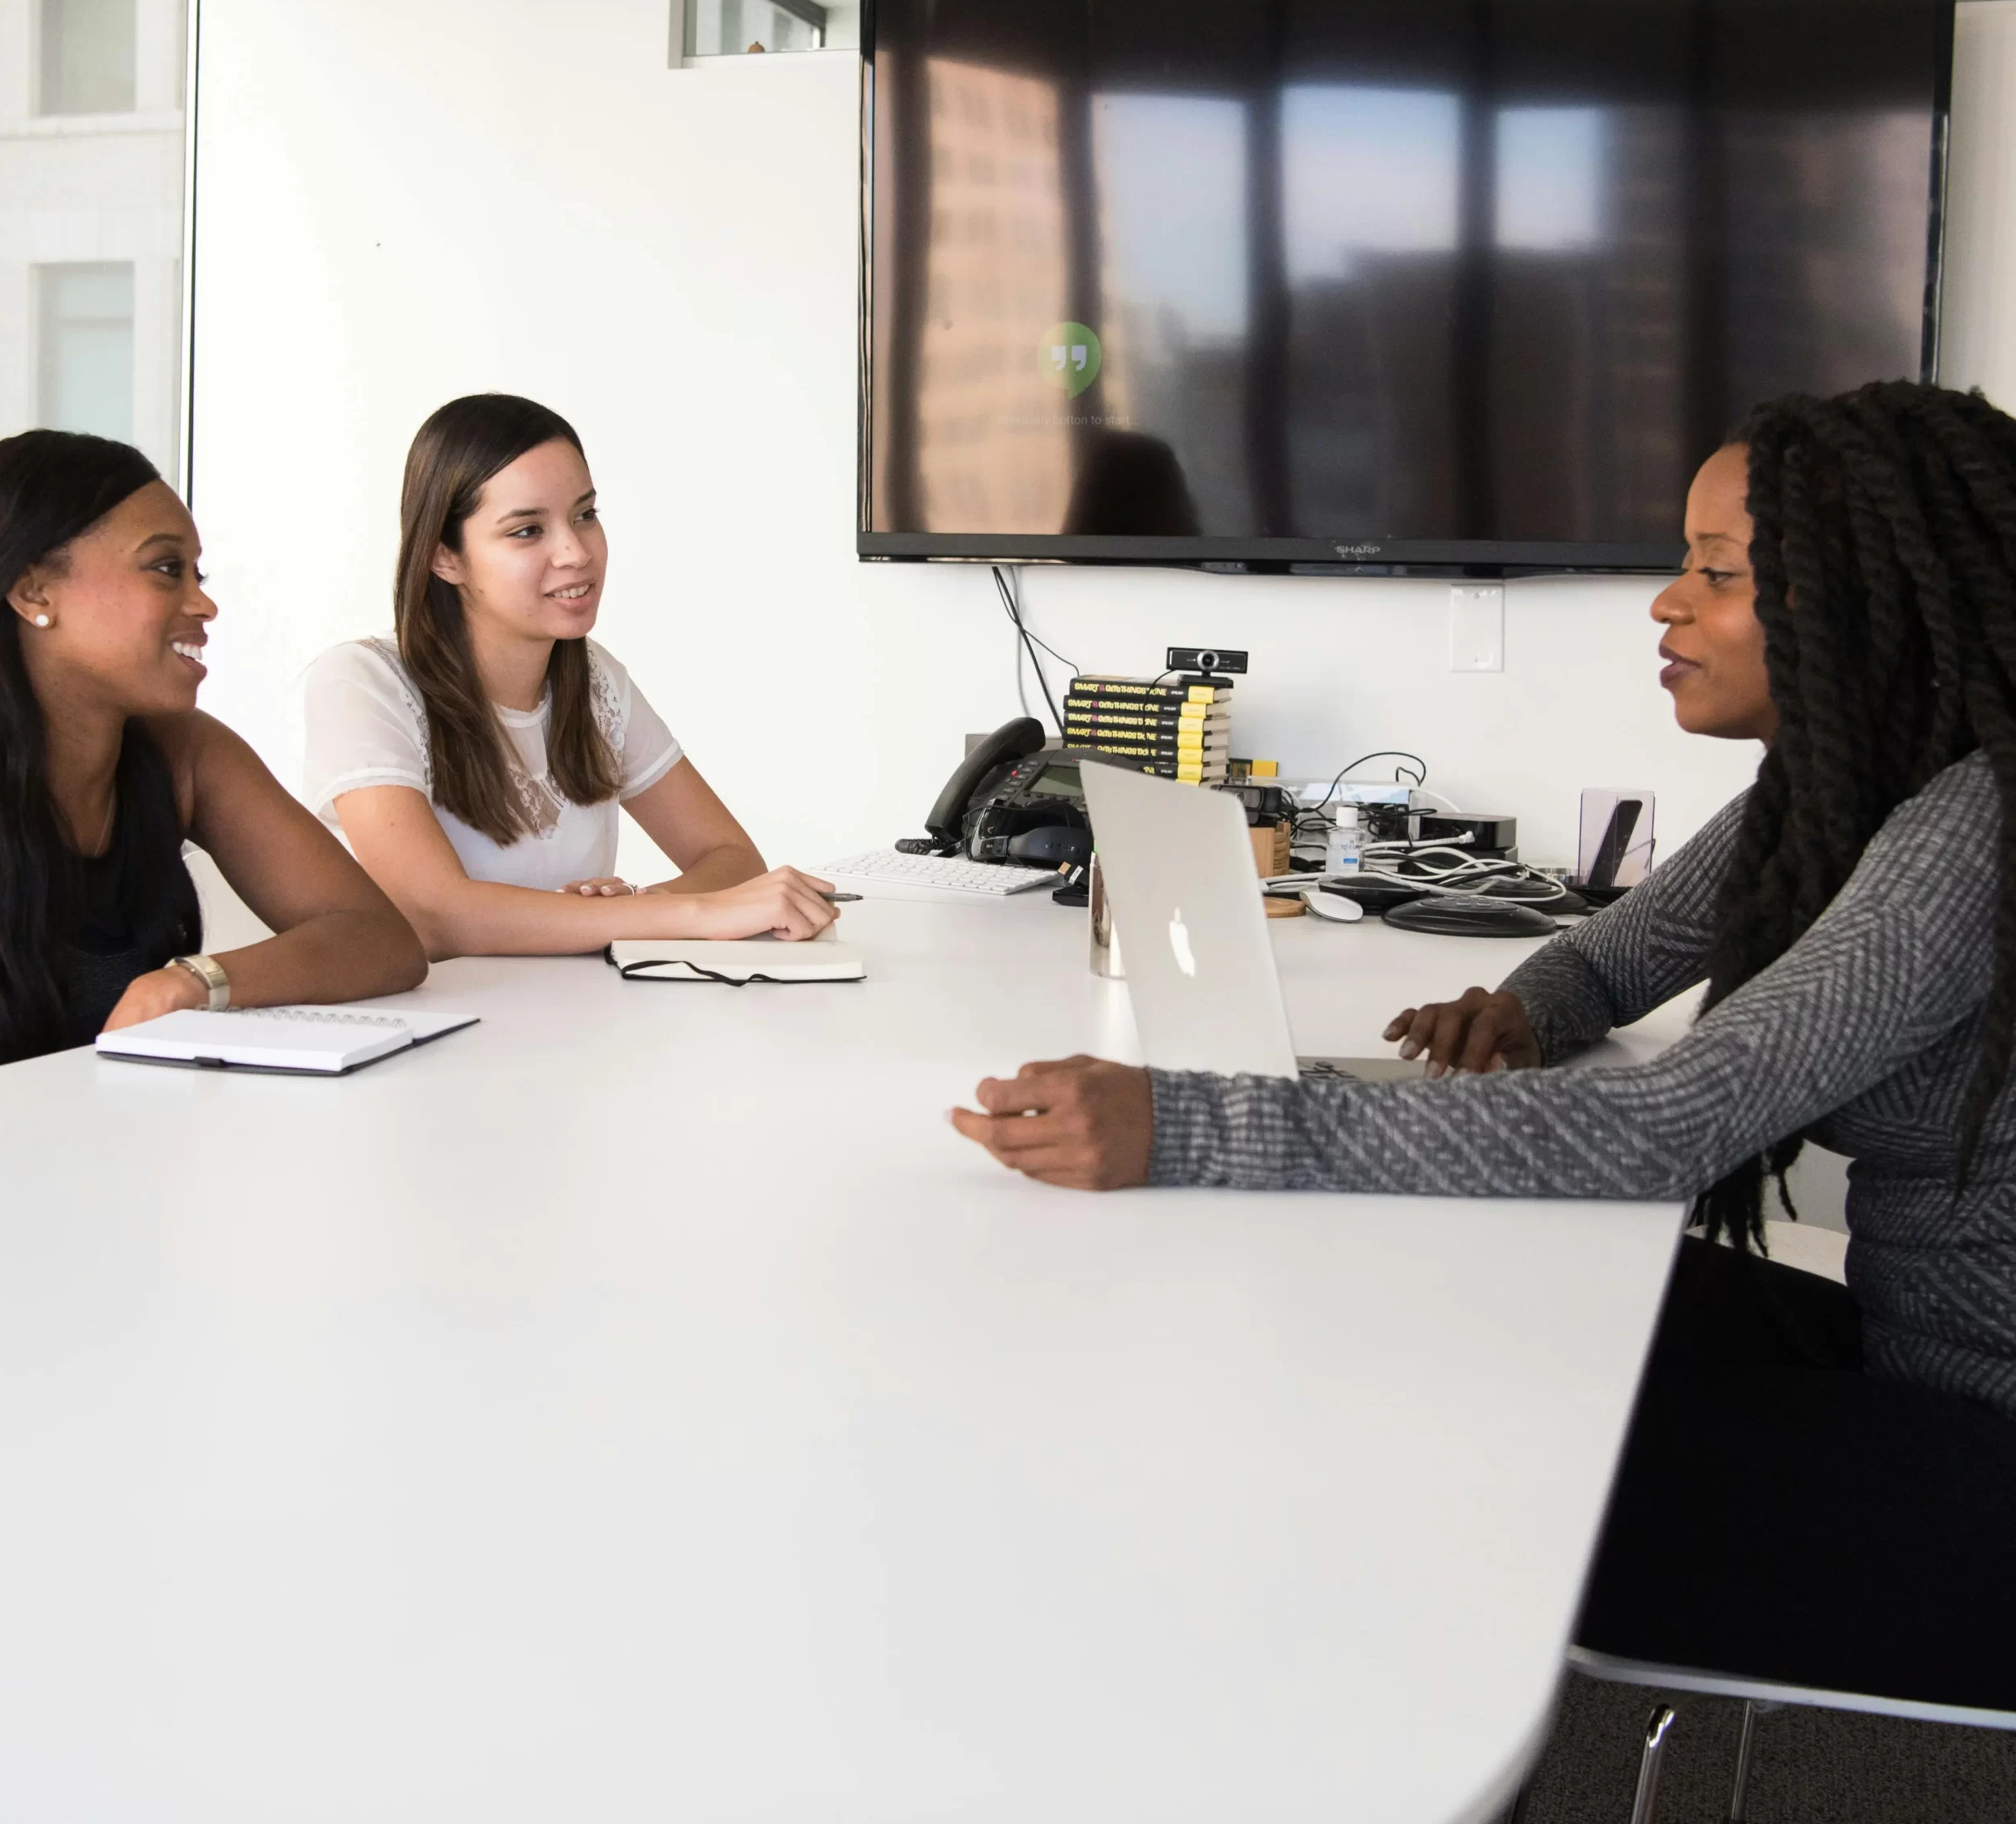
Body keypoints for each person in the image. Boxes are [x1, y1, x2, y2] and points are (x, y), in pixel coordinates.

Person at [952, 379, 2016, 1710]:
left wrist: (1196, 1121)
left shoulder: (1970, 832)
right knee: (1491, 1305)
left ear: (1861, 601)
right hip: (1911, 1361)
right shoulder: (1844, 793)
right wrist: (1525, 1010)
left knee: (1444, 1446)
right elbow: (1613, 957)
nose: (1664, 602)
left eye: (1717, 571)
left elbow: (1662, 1125)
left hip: (1980, 1450)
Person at [0, 432, 426, 1080]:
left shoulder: (186, 752)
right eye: (167, 568)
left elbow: (381, 940)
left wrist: (194, 983)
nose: (205, 604)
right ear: (34, 593)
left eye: (199, 574)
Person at [304, 394, 836, 959]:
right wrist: (658, 915)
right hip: (438, 1035)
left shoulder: (595, 679)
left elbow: (730, 858)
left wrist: (626, 910)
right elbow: (435, 916)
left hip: (577, 1026)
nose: (576, 552)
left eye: (585, 515)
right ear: (445, 557)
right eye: (527, 531)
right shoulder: (361, 683)